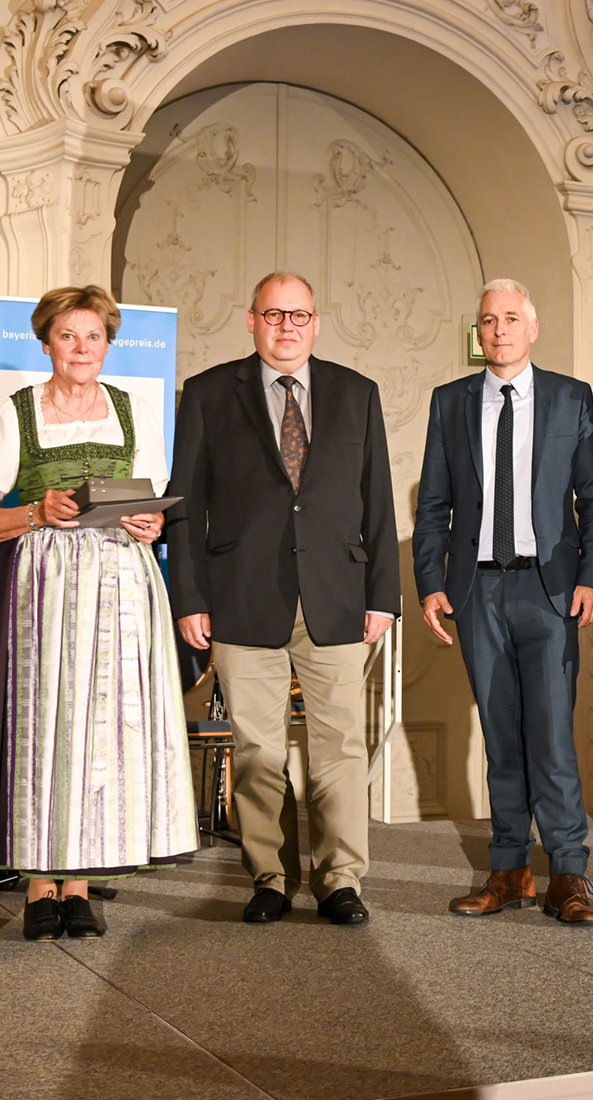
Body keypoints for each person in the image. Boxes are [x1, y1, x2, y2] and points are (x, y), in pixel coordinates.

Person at [0, 286, 197, 941]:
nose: (82, 348)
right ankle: (40, 886)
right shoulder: (13, 413)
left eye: (93, 337)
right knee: (44, 726)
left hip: (122, 584)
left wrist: (153, 523)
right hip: (43, 583)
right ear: (46, 344)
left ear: (108, 345)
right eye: (69, 336)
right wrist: (35, 511)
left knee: (104, 732)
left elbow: (153, 504)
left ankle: (82, 884)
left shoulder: (134, 411)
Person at [167, 272, 398, 927]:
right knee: (258, 750)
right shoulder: (211, 394)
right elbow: (185, 506)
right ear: (251, 321)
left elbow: (376, 500)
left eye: (299, 315)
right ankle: (268, 875)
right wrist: (189, 598)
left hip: (338, 600)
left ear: (316, 322)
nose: (287, 326)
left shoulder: (357, 394)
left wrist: (383, 595)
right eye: (274, 314)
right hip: (241, 600)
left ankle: (340, 879)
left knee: (341, 749)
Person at [414, 279, 593, 925]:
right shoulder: (450, 403)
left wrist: (592, 577)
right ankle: (509, 870)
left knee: (551, 738)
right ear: (479, 332)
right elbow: (435, 506)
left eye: (509, 319)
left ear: (532, 327)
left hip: (548, 590)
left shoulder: (568, 397)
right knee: (501, 738)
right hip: (477, 589)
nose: (497, 330)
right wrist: (431, 582)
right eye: (487, 321)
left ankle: (569, 875)